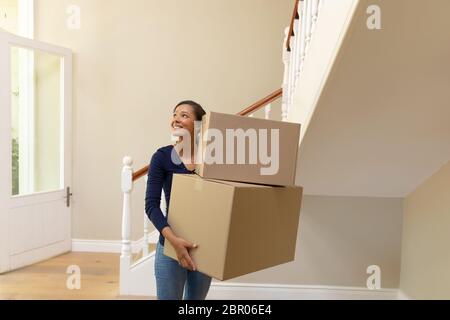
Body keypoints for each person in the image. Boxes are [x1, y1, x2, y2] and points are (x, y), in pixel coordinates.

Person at [145, 100, 212, 300]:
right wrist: (174, 241)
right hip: (170, 244)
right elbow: (151, 206)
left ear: (199, 125)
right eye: (174, 115)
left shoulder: (211, 159)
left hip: (204, 245)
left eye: (184, 115)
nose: (176, 119)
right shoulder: (162, 157)